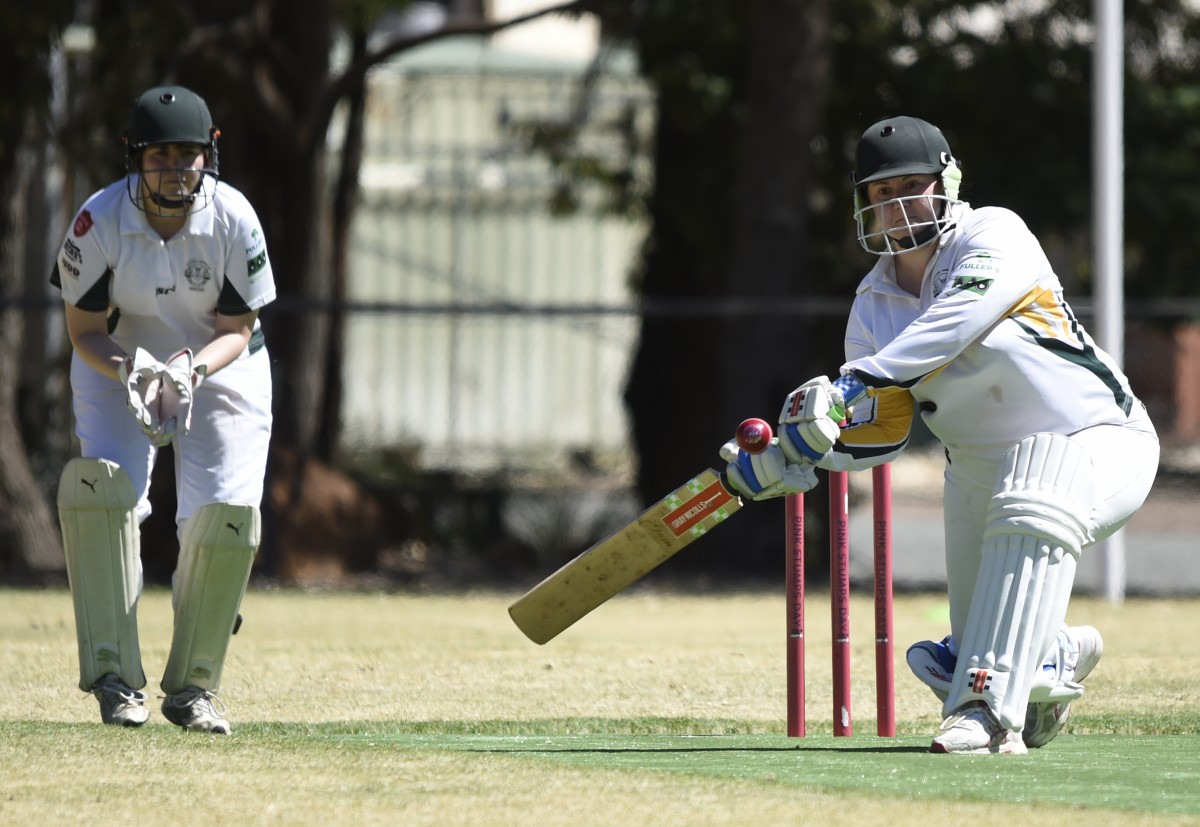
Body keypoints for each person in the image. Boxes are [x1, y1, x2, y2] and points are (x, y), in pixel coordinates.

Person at [722, 115, 1158, 754]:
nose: (895, 205)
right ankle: (1048, 654)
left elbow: (957, 320)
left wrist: (850, 384)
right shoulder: (872, 306)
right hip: (977, 482)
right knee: (969, 638)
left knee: (1037, 482)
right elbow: (885, 430)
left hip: (1101, 440)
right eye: (878, 193)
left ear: (947, 182)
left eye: (910, 185)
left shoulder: (994, 233)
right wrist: (796, 454)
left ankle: (983, 711)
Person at [52, 85, 274, 734]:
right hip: (116, 360)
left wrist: (189, 370)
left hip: (221, 364)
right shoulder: (97, 222)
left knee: (224, 522)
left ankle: (195, 687)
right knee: (105, 497)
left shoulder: (235, 218)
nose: (175, 171)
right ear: (134, 157)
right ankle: (115, 680)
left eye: (188, 156)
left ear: (210, 156)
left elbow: (237, 325)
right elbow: (84, 329)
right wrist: (134, 371)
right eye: (160, 157)